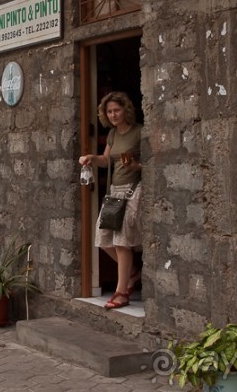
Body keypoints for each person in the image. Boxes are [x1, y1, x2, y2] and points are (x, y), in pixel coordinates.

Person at [79, 91, 142, 310]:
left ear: (126, 110)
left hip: (134, 190)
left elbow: (151, 164)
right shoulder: (114, 134)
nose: (113, 115)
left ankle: (121, 292)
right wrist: (90, 158)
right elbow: (106, 161)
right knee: (103, 239)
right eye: (109, 111)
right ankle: (133, 273)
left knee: (121, 241)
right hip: (114, 191)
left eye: (117, 110)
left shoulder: (139, 132)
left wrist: (135, 167)